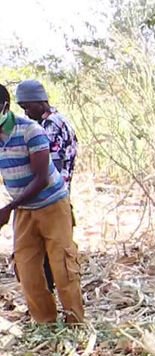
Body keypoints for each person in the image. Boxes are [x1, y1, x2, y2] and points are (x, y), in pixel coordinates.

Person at [0, 83, 83, 324]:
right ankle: (44, 323)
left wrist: (8, 208)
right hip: (24, 209)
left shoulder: (31, 131)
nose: (27, 110)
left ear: (4, 107)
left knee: (63, 266)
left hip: (52, 204)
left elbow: (42, 177)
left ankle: (74, 323)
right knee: (27, 270)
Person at [16, 80, 80, 293]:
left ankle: (59, 306)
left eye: (28, 106)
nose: (26, 112)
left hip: (51, 198)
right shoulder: (57, 120)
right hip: (59, 195)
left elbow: (51, 168)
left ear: (40, 101)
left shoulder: (51, 125)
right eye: (22, 108)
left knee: (55, 256)